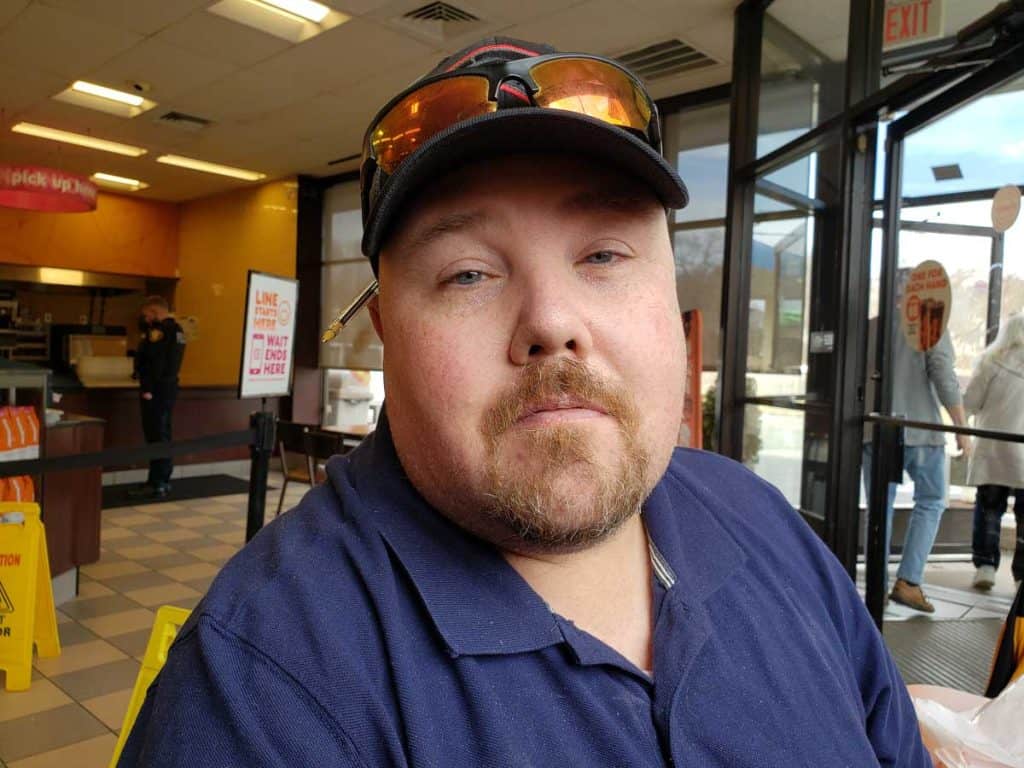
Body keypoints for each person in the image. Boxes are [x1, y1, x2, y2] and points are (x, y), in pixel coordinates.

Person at [118, 38, 930, 766]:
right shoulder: (262, 692)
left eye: (605, 254)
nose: (551, 321)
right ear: (385, 333)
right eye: (468, 273)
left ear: (672, 299)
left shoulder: (763, 524)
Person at [862, 283, 971, 614]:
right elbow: (943, 375)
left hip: (875, 428)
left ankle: (876, 586)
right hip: (921, 428)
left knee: (881, 507)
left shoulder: (870, 327)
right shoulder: (929, 324)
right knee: (933, 499)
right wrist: (961, 427)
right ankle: (908, 582)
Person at [964, 312, 1024, 591]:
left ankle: (986, 566)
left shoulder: (992, 362)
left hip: (993, 447)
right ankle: (1022, 572)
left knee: (990, 507)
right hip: (1022, 451)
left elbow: (971, 402)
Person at [130, 296, 186, 499]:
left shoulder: (160, 332)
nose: (145, 319)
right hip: (168, 388)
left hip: (157, 391)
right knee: (163, 433)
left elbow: (156, 363)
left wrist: (147, 388)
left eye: (146, 315)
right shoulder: (178, 331)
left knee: (156, 435)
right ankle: (162, 479)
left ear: (154, 312)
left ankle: (157, 482)